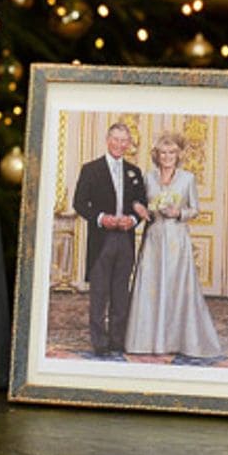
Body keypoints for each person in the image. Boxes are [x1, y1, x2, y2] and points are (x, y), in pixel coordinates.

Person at [124, 132, 224, 362]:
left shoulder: (187, 178)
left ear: (178, 155)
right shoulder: (147, 178)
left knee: (177, 288)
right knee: (151, 286)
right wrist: (141, 208)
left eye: (171, 153)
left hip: (178, 241)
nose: (167, 157)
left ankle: (176, 340)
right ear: (156, 155)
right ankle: (146, 341)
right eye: (163, 153)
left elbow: (195, 209)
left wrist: (178, 212)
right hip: (154, 239)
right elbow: (138, 202)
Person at [72, 121, 149, 359]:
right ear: (107, 140)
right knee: (99, 294)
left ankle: (117, 340)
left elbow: (142, 204)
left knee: (120, 293)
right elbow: (79, 203)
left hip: (125, 240)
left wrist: (133, 221)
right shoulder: (90, 169)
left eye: (124, 140)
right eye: (115, 139)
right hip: (101, 241)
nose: (119, 144)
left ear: (129, 144)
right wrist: (102, 218)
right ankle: (99, 342)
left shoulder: (134, 172)